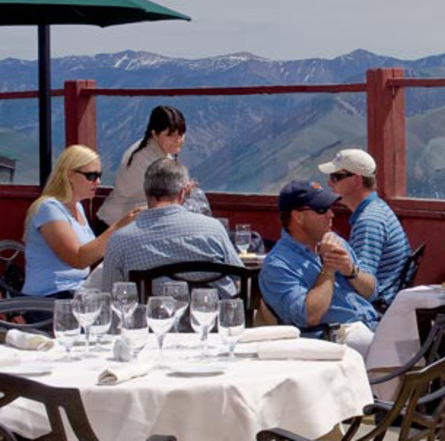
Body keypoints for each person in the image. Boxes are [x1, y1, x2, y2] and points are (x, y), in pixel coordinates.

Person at [260, 180, 379, 356]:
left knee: (413, 331)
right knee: (396, 350)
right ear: (298, 217)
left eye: (330, 208)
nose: (331, 214)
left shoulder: (336, 242)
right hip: (333, 341)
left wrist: (351, 271)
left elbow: (372, 293)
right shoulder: (277, 265)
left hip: (369, 325)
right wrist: (329, 267)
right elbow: (308, 316)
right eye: (322, 210)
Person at [100, 158, 238, 297]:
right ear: (182, 192)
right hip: (212, 315)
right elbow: (239, 275)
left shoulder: (120, 241)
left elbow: (110, 295)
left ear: (146, 190)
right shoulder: (214, 228)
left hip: (153, 317)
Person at [22, 145, 139, 297]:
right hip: (50, 298)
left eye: (99, 175)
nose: (97, 182)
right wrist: (118, 226)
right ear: (70, 175)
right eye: (91, 176)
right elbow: (77, 259)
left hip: (77, 292)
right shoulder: (49, 208)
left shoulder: (77, 207)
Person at [318, 148, 411, 308]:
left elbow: (365, 288)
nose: (329, 182)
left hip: (374, 309)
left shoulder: (369, 221)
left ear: (356, 180)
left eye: (336, 177)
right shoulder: (376, 210)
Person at [96, 105, 186, 232]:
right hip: (116, 226)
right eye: (170, 135)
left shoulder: (154, 150)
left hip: (123, 223)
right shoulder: (146, 158)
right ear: (154, 133)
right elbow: (166, 198)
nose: (178, 140)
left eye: (181, 134)